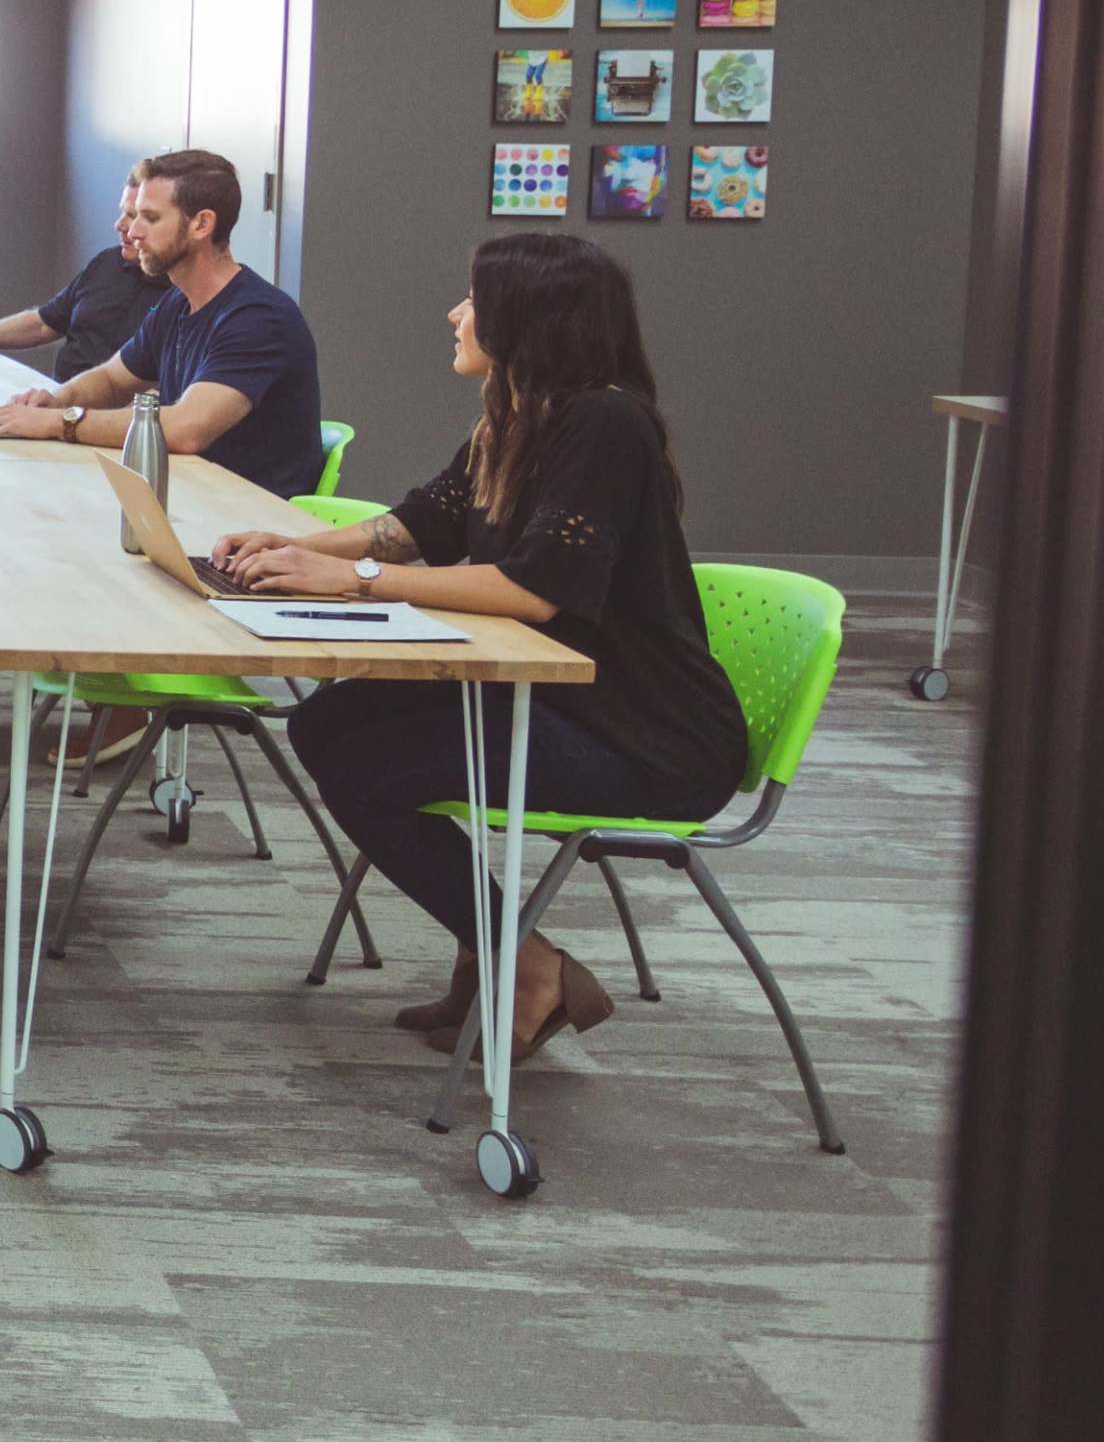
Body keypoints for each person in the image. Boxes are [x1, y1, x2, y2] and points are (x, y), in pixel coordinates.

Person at [215, 232, 749, 1060]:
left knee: (368, 768)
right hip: (551, 693)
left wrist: (352, 580)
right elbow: (415, 525)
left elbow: (535, 587)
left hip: (642, 733)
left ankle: (525, 965)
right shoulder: (515, 416)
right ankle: (492, 953)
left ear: (530, 321)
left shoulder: (606, 425)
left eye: (475, 299)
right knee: (327, 727)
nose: (456, 314)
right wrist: (290, 549)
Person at [0, 149, 329, 502]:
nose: (132, 232)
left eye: (150, 218)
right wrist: (57, 399)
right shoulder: (178, 302)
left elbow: (185, 429)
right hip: (191, 499)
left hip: (248, 526)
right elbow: (113, 379)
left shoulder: (259, 318)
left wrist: (60, 422)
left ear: (202, 224)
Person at [0, 178, 169, 380]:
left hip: (113, 420)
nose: (122, 226)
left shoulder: (181, 295)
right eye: (124, 213)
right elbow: (44, 323)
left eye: (136, 216)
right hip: (63, 401)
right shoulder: (107, 263)